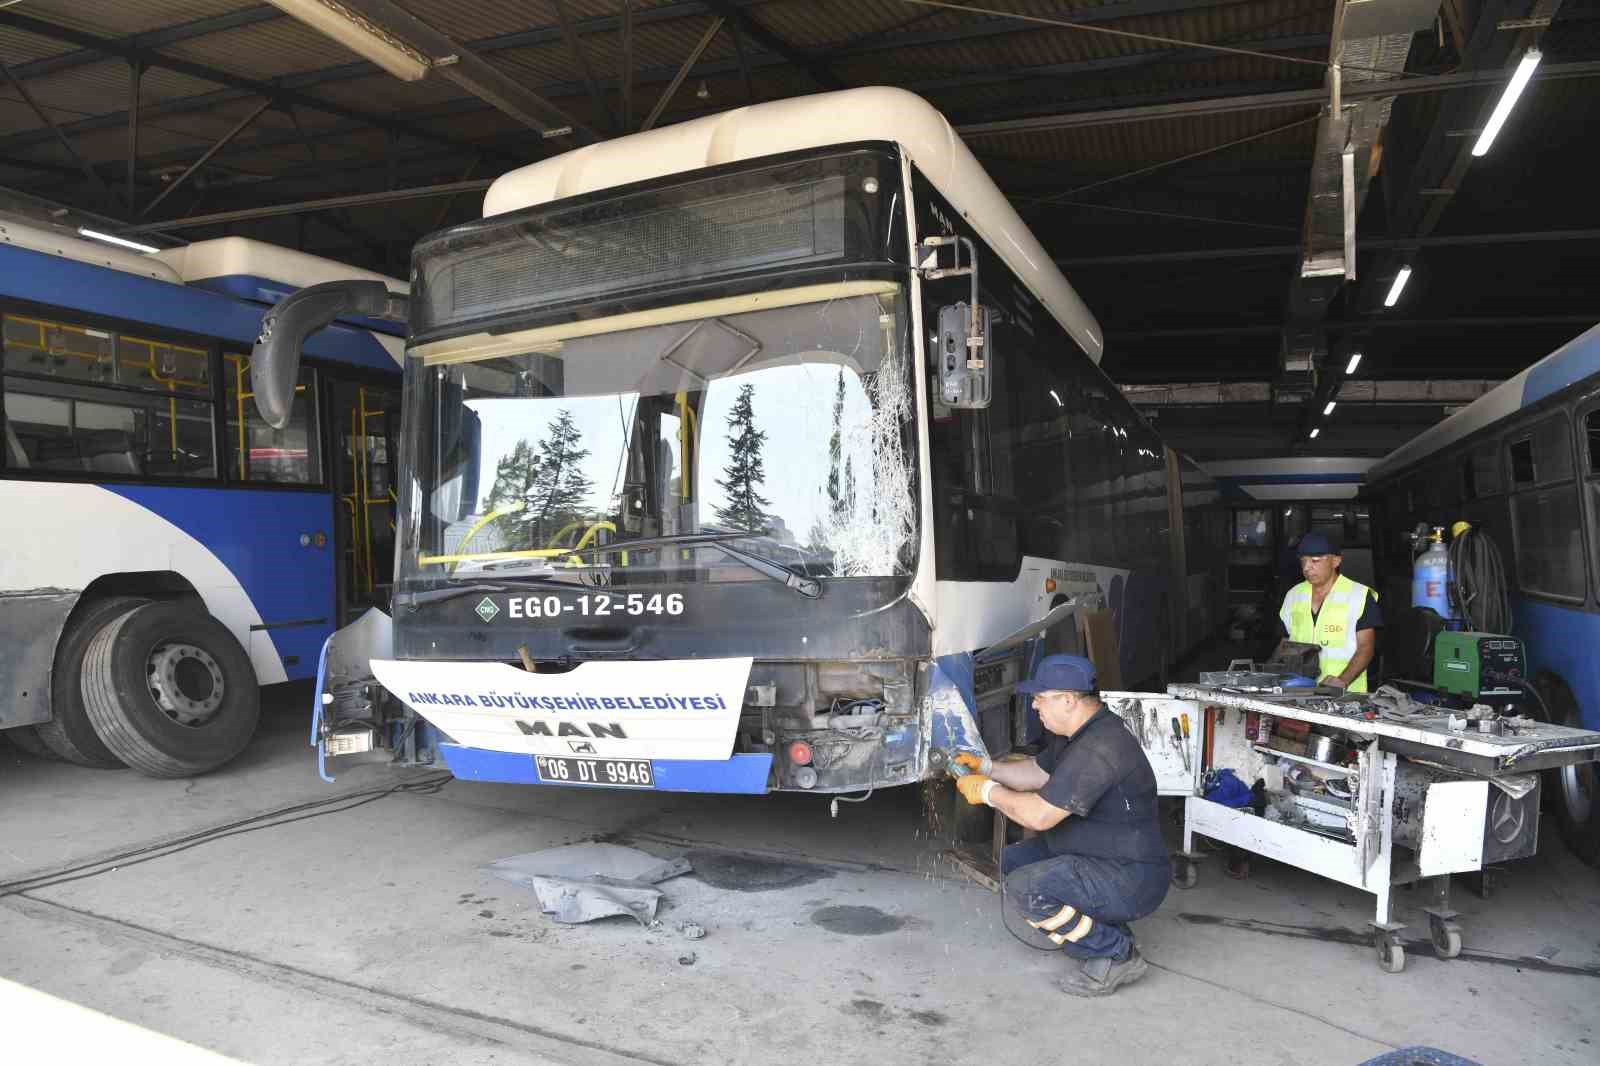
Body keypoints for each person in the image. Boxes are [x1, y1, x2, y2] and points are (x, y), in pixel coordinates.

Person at [953, 654, 1169, 997]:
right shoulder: (1079, 734)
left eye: (1040, 697)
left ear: (1068, 700)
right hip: (1101, 853)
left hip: (1131, 876)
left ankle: (1115, 953)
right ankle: (1107, 928)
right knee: (1015, 862)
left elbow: (1039, 815)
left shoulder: (1100, 749)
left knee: (1028, 886)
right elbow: (1033, 774)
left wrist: (988, 793)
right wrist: (986, 766)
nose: (1034, 705)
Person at [1278, 530, 1381, 692]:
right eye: (1303, 561)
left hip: (1345, 696)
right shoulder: (1293, 595)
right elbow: (1285, 643)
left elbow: (1366, 648)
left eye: (1315, 561)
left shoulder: (1359, 596)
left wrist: (1342, 681)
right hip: (1298, 691)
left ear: (1335, 561)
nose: (1307, 567)